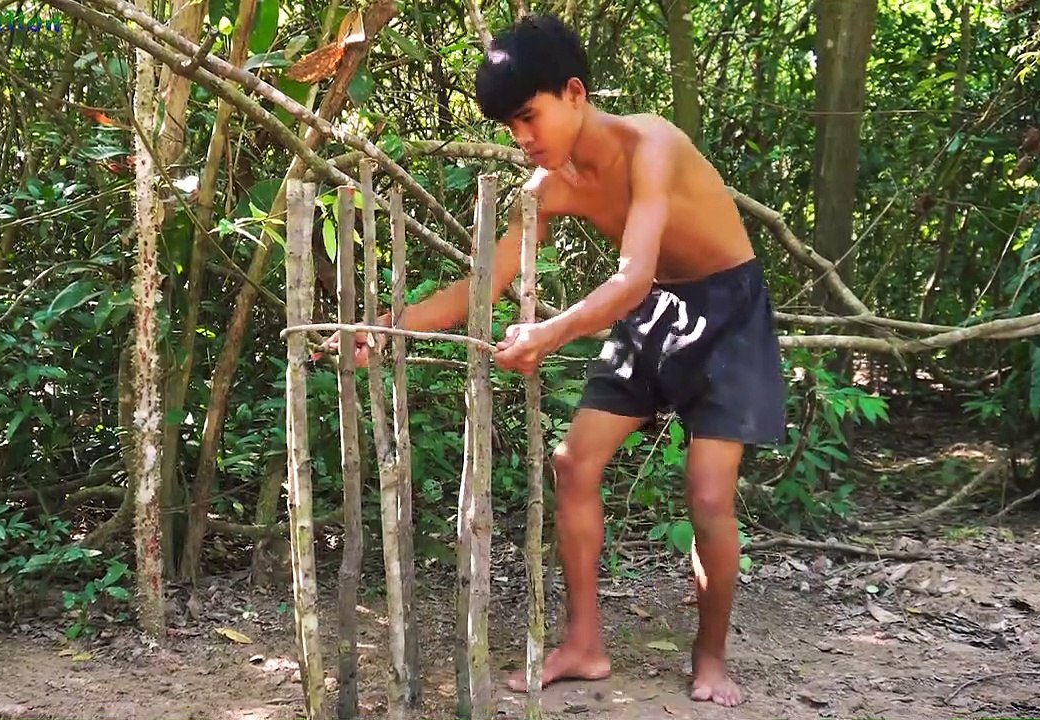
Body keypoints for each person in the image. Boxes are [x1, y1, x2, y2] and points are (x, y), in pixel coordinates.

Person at [320, 12, 785, 708]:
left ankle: (711, 654)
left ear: (574, 93)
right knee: (574, 462)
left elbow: (631, 276)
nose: (522, 138)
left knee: (710, 495)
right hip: (654, 307)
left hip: (728, 309)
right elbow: (482, 287)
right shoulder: (544, 189)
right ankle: (584, 644)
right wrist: (385, 329)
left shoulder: (652, 144)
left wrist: (549, 333)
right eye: (510, 126)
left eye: (529, 117)